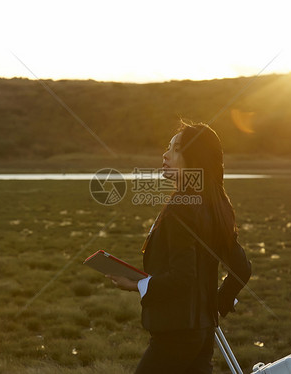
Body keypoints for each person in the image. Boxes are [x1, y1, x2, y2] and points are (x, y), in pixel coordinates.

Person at [107, 121, 252, 374]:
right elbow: (242, 267)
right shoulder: (217, 205)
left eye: (175, 149)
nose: (165, 154)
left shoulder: (181, 208)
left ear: (192, 158)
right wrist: (215, 304)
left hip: (176, 333)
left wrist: (137, 284)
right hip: (202, 332)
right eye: (168, 147)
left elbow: (183, 276)